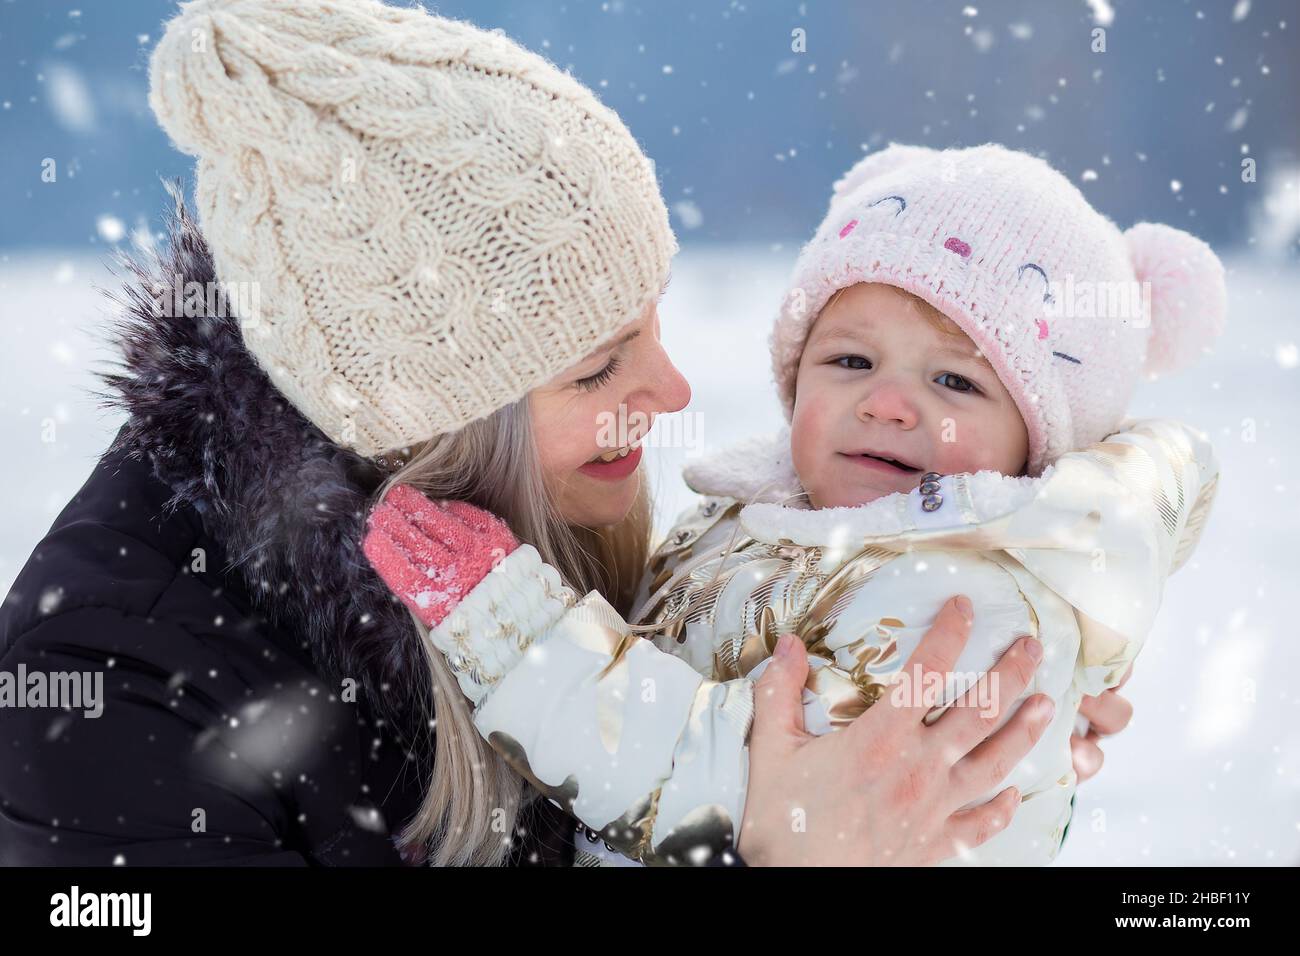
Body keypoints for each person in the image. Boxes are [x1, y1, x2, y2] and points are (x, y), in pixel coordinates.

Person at [0, 2, 1103, 867]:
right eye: (597, 364)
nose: (671, 390)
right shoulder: (114, 687)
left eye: (655, 320)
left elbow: (685, 730)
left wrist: (929, 725)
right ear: (430, 416)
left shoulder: (538, 499)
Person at [364, 143, 1212, 865]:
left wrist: (513, 631)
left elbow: (737, 786)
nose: (886, 403)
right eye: (850, 361)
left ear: (1041, 444)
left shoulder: (963, 607)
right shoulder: (763, 524)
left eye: (954, 379)